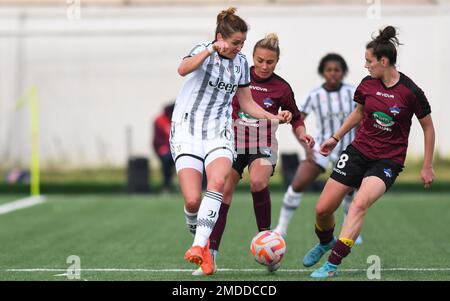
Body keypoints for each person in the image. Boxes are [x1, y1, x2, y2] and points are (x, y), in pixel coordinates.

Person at [302, 26, 435, 278]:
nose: (365, 66)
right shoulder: (367, 84)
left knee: (359, 204)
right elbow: (359, 113)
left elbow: (428, 127)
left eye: (368, 61)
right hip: (357, 152)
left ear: (384, 61)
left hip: (387, 161)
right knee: (322, 209)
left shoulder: (411, 92)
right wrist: (335, 138)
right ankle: (325, 242)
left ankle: (332, 265)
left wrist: (427, 165)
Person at [170, 7, 292, 276]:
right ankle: (195, 224)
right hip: (187, 131)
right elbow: (182, 69)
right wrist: (210, 49)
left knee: (218, 182)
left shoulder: (240, 64)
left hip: (220, 132)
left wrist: (274, 117)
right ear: (220, 38)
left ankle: (201, 249)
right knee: (192, 201)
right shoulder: (203, 50)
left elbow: (247, 103)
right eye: (236, 42)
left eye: (242, 43)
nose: (240, 48)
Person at [192, 33, 315, 276]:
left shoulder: (281, 87)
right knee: (223, 191)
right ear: (253, 58)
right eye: (259, 60)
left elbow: (295, 117)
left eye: (269, 62)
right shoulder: (239, 74)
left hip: (263, 142)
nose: (263, 66)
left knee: (258, 180)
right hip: (232, 141)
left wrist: (301, 133)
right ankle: (211, 253)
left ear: (277, 62)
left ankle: (268, 246)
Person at [274, 53, 363, 244]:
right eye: (329, 70)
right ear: (323, 72)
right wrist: (306, 148)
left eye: (337, 70)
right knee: (298, 183)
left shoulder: (353, 92)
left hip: (348, 149)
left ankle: (350, 229)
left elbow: (362, 118)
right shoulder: (314, 94)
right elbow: (298, 121)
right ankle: (281, 228)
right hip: (322, 147)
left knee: (349, 190)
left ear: (343, 72)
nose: (333, 74)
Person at [153, 102, 175, 193]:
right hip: (164, 148)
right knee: (166, 161)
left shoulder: (178, 119)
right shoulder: (160, 120)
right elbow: (157, 138)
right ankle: (166, 186)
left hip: (176, 148)